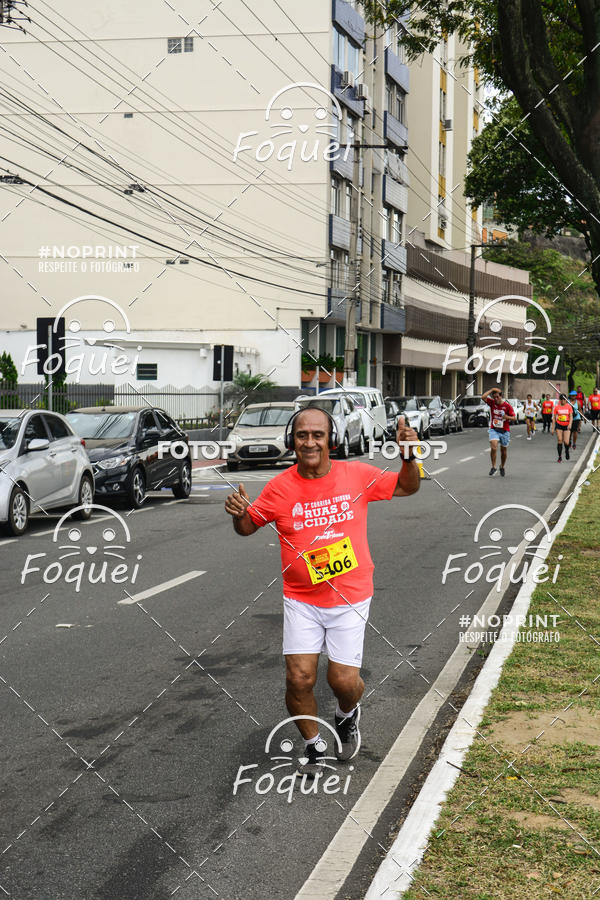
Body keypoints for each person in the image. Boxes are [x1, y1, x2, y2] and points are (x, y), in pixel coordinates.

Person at [224, 406, 420, 776]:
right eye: (302, 435)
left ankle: (346, 715)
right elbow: (248, 527)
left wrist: (409, 456)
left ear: (331, 438)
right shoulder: (280, 487)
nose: (310, 442)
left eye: (318, 434)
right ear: (292, 441)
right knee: (299, 678)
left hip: (350, 596)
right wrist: (239, 513)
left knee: (343, 681)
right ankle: (313, 744)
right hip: (301, 598)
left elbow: (408, 486)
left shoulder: (356, 474)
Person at [482, 387, 516, 476]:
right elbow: (483, 397)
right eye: (494, 397)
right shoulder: (492, 403)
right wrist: (492, 389)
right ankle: (493, 467)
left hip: (504, 431)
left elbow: (514, 417)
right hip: (494, 429)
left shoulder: (507, 406)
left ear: (501, 396)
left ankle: (502, 466)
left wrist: (506, 417)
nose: (496, 399)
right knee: (493, 447)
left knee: (503, 451)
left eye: (497, 397)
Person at [552, 393, 573, 462]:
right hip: (559, 425)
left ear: (566, 400)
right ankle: (560, 456)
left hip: (566, 425)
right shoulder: (557, 407)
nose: (563, 401)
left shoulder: (569, 407)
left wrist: (570, 424)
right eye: (562, 399)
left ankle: (567, 451)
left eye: (564, 399)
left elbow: (571, 416)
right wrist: (552, 428)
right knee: (560, 440)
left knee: (566, 442)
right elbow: (554, 418)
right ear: (560, 400)